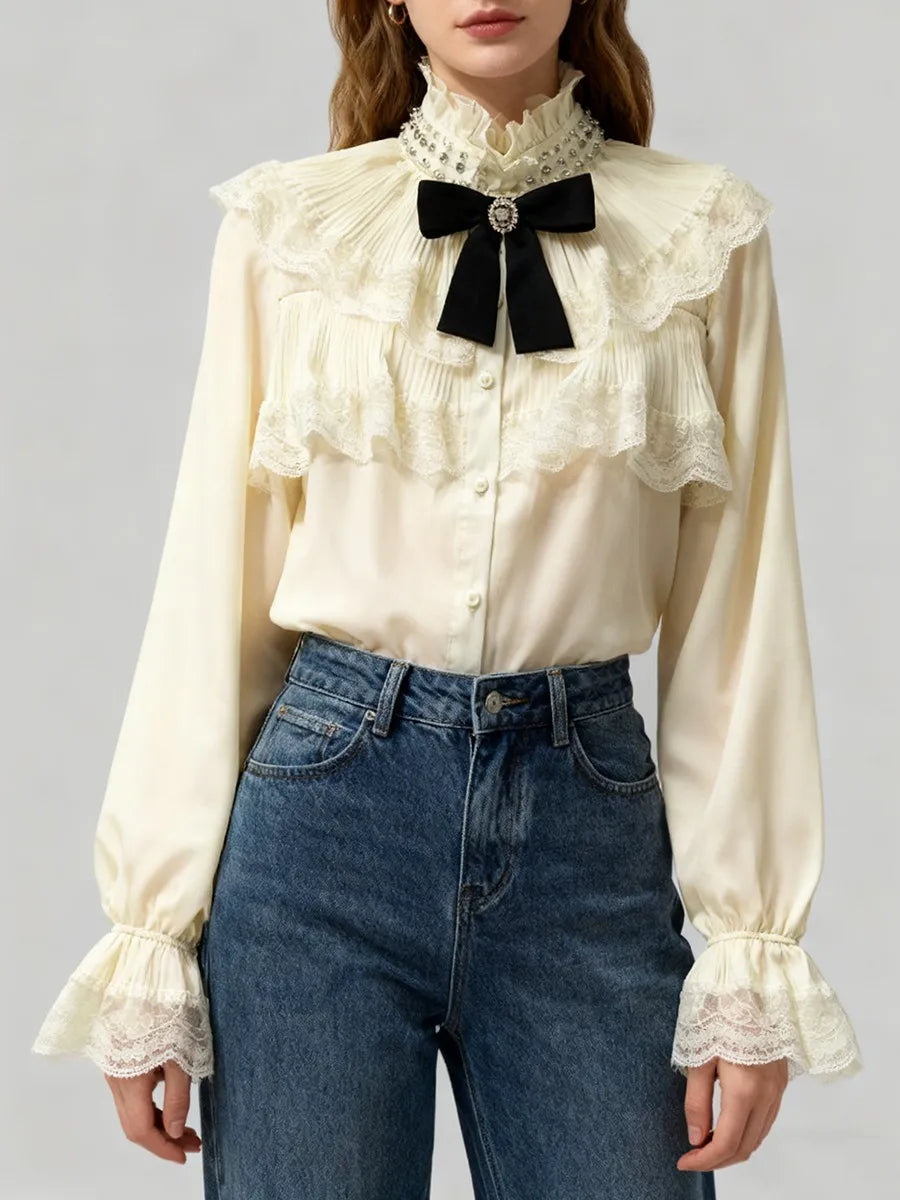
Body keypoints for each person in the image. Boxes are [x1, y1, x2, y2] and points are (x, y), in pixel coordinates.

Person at [32, 1, 863, 1195]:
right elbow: (213, 578)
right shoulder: (290, 232)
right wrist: (152, 929)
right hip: (321, 835)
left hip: (584, 828)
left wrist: (750, 942)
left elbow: (741, 607)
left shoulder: (701, 236)